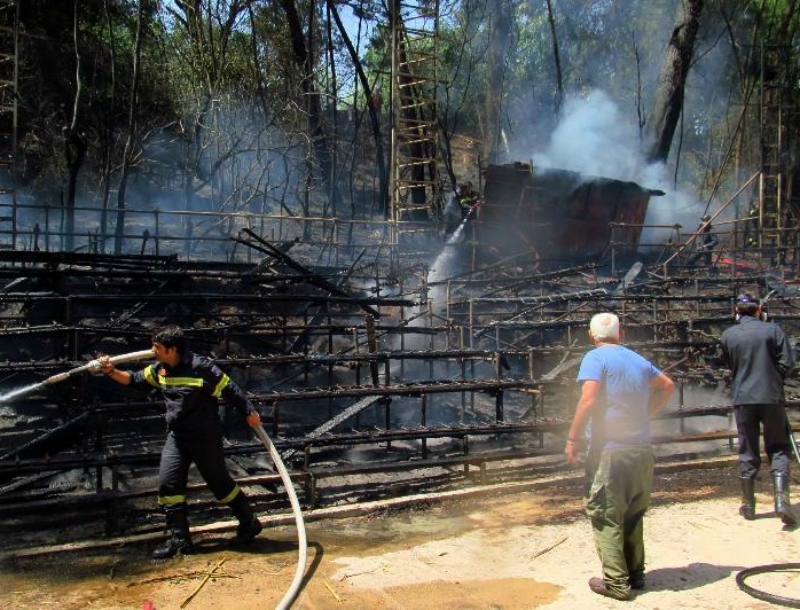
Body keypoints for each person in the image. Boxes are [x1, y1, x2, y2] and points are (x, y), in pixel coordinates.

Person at [99, 326, 264, 559]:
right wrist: (110, 371)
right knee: (168, 485)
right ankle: (180, 540)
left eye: (157, 347)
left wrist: (249, 411)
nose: (152, 351)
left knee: (220, 485)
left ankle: (249, 523)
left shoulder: (201, 368)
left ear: (172, 349)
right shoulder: (161, 369)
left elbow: (230, 389)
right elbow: (134, 380)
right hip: (177, 437)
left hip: (204, 437)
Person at [565, 312, 675, 600]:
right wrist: (645, 414)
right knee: (634, 512)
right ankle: (636, 574)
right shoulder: (635, 359)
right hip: (641, 449)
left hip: (610, 450)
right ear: (621, 333)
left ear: (591, 336)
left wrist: (572, 438)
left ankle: (616, 583)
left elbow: (588, 399)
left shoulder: (595, 358)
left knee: (605, 513)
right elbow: (668, 385)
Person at [719, 294, 797, 526]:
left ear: (737, 310)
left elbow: (728, 364)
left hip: (743, 398)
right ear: (759, 309)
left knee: (748, 447)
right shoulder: (773, 330)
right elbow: (788, 363)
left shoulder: (728, 335)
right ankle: (782, 501)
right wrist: (774, 378)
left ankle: (749, 504)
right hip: (771, 397)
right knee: (779, 447)